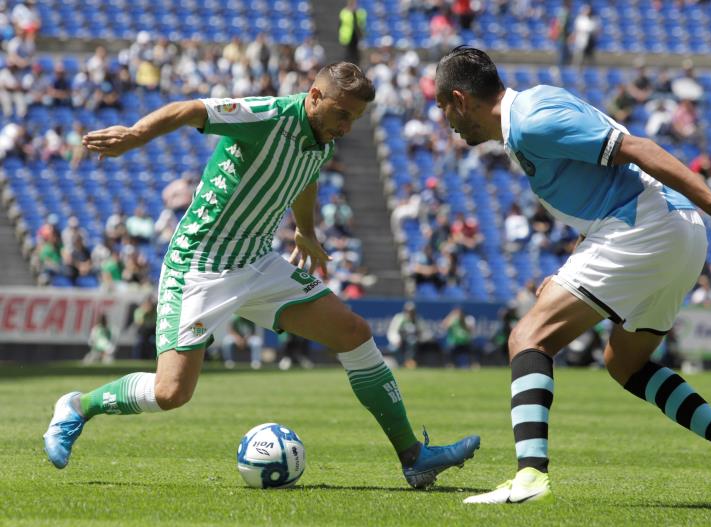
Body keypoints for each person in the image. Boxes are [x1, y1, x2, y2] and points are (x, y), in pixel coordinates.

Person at [44, 62, 479, 489]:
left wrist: (306, 231)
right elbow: (191, 109)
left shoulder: (323, 138)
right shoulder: (267, 115)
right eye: (342, 114)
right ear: (314, 97)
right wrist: (135, 135)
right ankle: (78, 407)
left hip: (256, 261)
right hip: (200, 264)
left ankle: (414, 459)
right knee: (171, 393)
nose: (346, 127)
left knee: (354, 331)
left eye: (356, 119)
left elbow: (305, 177)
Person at [434, 46, 711, 505]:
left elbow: (638, 149)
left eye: (443, 109)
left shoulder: (532, 121)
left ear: (460, 98)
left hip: (647, 226)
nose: (447, 123)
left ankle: (530, 476)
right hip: (672, 234)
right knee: (624, 363)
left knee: (528, 337)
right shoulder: (533, 111)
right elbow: (602, 188)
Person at [339, 0, 367, 65]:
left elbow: (362, 22)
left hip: (357, 35)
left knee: (356, 54)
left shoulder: (360, 12)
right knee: (348, 54)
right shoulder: (344, 12)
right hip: (347, 36)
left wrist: (355, 11)